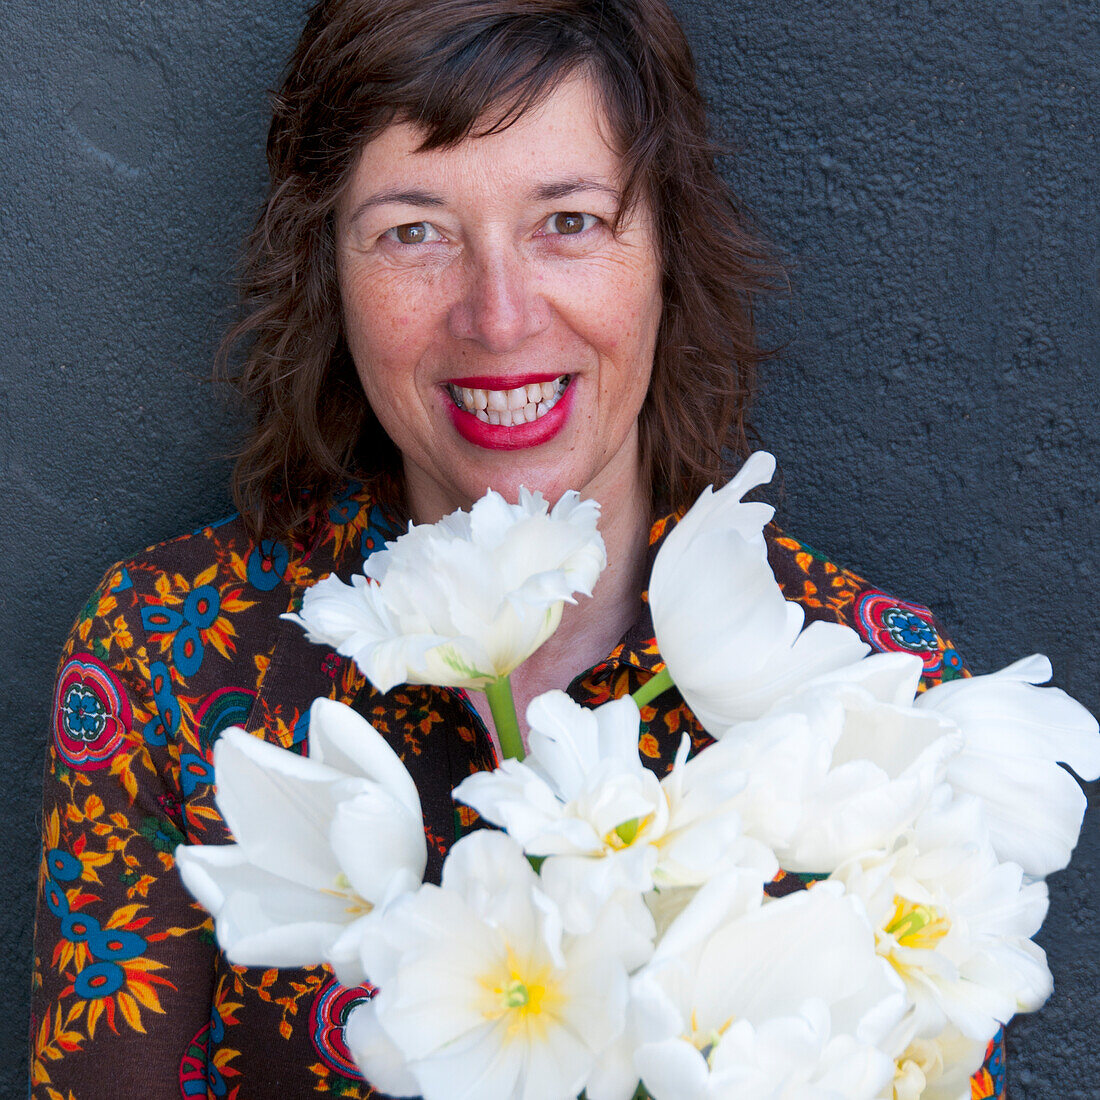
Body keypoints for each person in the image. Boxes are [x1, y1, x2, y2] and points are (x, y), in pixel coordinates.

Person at [30, 1, 1006, 1096]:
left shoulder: (886, 698)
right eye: (414, 231)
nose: (497, 318)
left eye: (569, 221)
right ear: (328, 273)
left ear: (663, 248)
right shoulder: (169, 652)